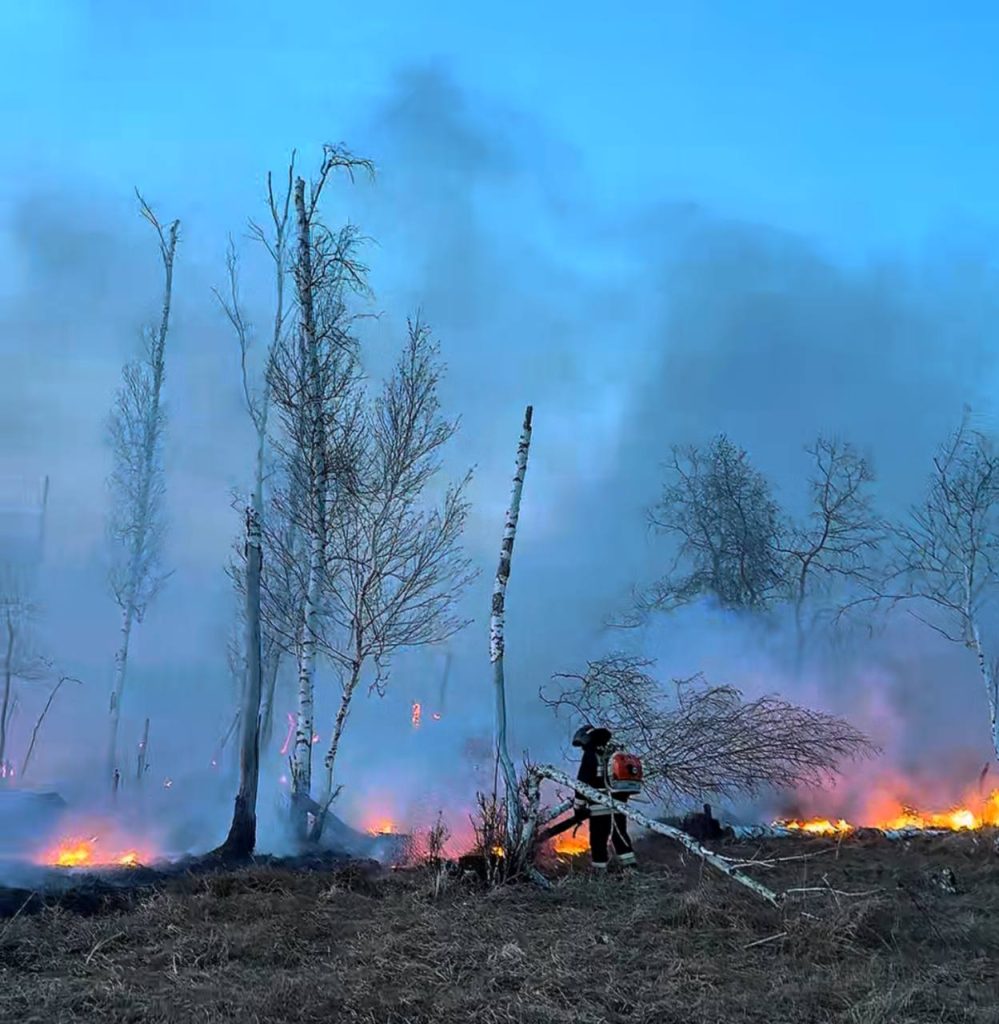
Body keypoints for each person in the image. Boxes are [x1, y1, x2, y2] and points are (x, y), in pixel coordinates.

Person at [572, 724, 637, 872]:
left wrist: (578, 808)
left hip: (599, 808)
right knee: (620, 836)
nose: (582, 748)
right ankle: (631, 870)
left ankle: (599, 874)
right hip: (618, 805)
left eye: (582, 745)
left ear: (587, 739)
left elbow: (581, 785)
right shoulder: (612, 752)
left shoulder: (590, 755)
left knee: (598, 840)